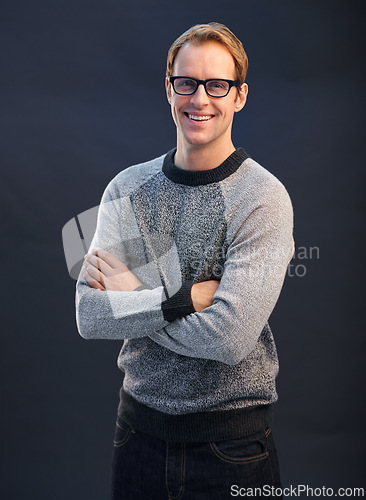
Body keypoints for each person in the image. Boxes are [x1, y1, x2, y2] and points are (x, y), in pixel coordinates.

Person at [76, 21, 294, 499]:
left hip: (233, 448)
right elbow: (90, 316)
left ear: (239, 96)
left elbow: (230, 338)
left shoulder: (262, 198)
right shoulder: (127, 188)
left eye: (217, 85)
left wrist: (132, 297)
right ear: (168, 88)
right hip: (137, 437)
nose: (200, 99)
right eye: (186, 82)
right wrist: (181, 300)